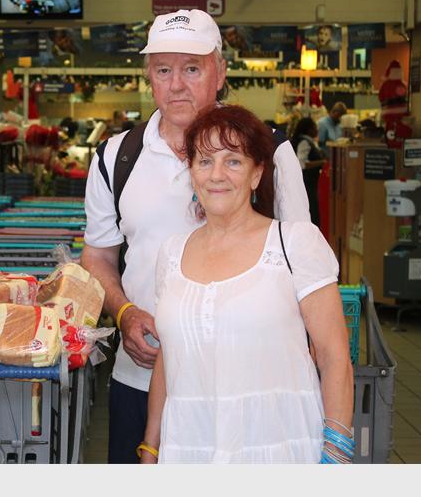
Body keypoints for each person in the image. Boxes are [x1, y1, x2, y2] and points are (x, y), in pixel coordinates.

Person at [81, 8, 311, 464]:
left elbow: (302, 265)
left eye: (192, 68)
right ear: (148, 77)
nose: (176, 85)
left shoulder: (270, 150)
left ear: (220, 72)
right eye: (163, 70)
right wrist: (124, 313)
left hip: (246, 386)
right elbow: (98, 257)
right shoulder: (114, 157)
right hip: (141, 378)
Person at [140, 105, 353, 463]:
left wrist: (335, 455)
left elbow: (334, 357)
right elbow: (168, 359)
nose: (217, 174)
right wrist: (151, 446)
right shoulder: (172, 254)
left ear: (257, 174)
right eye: (204, 161)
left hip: (280, 450)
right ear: (191, 172)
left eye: (233, 161)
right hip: (190, 449)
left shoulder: (295, 244)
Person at [290, 117, 326, 226]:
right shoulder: (304, 142)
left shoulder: (308, 141)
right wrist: (322, 162)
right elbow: (302, 164)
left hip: (308, 182)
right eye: (315, 127)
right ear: (309, 129)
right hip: (307, 183)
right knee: (311, 210)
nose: (317, 130)